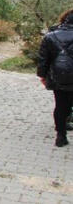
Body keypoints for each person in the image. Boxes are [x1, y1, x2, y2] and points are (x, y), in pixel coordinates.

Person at [37, 8, 73, 147]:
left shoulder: (50, 36)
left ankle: (61, 136)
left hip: (60, 74)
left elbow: (43, 59)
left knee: (60, 106)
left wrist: (42, 75)